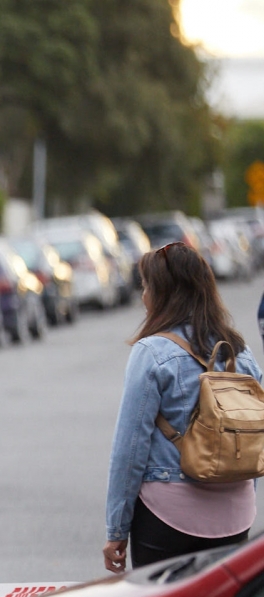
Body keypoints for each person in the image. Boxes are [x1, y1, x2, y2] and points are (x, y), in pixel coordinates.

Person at [104, 241, 261, 573]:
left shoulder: (152, 352)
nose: (143, 296)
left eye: (146, 287)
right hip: (235, 515)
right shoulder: (240, 352)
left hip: (168, 514)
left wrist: (117, 530)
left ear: (163, 294)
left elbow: (130, 450)